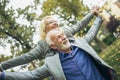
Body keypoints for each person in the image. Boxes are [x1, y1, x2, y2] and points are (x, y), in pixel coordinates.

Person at [0, 17, 117, 80]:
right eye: (58, 37)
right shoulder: (51, 62)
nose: (64, 37)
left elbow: (88, 32)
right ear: (53, 46)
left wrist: (97, 17)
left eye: (63, 35)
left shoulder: (80, 44)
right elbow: (30, 73)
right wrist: (3, 73)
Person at [0, 7, 100, 71]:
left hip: (85, 65)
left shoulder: (65, 31)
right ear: (45, 29)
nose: (55, 23)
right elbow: (27, 57)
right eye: (51, 22)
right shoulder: (44, 45)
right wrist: (2, 66)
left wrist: (92, 13)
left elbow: (80, 24)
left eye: (55, 21)